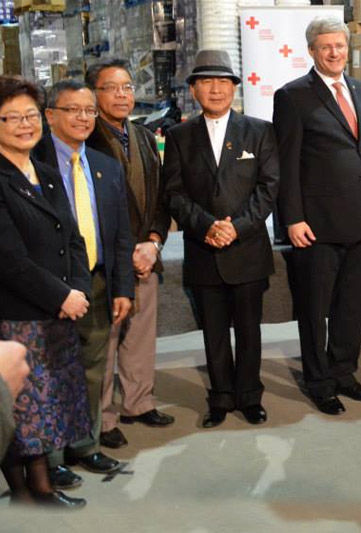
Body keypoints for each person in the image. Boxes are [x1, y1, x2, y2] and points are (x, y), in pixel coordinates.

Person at [164, 50, 279, 428]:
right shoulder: (179, 136)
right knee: (213, 332)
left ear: (234, 88)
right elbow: (175, 193)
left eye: (223, 82)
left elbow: (268, 187)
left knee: (249, 330)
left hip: (246, 248)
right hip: (203, 249)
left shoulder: (259, 130)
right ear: (194, 90)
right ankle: (221, 397)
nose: (216, 89)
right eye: (207, 82)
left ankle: (250, 396)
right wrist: (206, 226)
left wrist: (238, 226)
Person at [273, 17, 361, 415]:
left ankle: (344, 373)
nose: (335, 52)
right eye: (326, 47)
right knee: (316, 310)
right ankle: (318, 382)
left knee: (352, 307)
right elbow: (287, 163)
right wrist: (293, 218)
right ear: (312, 51)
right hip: (315, 227)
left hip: (358, 223)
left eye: (340, 45)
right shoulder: (294, 96)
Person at [33, 79, 134, 487]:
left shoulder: (105, 165)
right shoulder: (30, 164)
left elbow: (121, 233)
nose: (83, 118)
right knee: (52, 370)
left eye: (89, 111)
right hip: (50, 287)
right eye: (72, 109)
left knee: (93, 369)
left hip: (97, 281)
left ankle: (85, 445)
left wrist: (123, 286)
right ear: (50, 115)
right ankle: (51, 456)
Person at [0, 75, 92, 508]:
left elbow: (73, 239)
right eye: (12, 117)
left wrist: (78, 288)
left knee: (49, 401)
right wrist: (60, 295)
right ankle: (30, 490)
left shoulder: (48, 175)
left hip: (58, 309)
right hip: (17, 312)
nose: (24, 125)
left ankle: (36, 485)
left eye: (30, 116)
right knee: (25, 406)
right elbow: (9, 258)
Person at [85, 58, 174, 449]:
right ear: (94, 95)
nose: (122, 95)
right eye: (111, 88)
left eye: (127, 87)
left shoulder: (140, 135)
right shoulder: (85, 140)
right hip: (106, 260)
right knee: (105, 342)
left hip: (144, 255)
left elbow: (160, 194)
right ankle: (103, 419)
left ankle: (139, 402)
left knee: (141, 337)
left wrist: (154, 241)